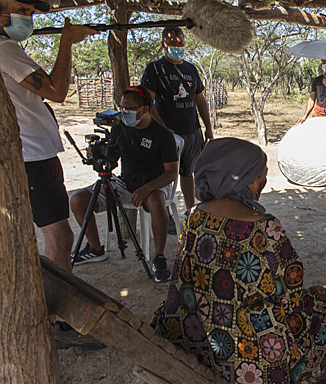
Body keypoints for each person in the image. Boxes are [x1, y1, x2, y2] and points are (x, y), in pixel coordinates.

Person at [151, 138, 326, 383]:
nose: (264, 183)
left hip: (193, 333)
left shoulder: (194, 217)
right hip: (251, 353)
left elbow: (183, 276)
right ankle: (324, 374)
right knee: (321, 299)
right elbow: (290, 289)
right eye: (260, 177)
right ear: (241, 179)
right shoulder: (266, 227)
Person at [0, 0, 97, 273]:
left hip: (34, 154)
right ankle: (59, 311)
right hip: (33, 157)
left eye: (31, 11)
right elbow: (56, 91)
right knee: (60, 236)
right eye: (22, 10)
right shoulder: (5, 49)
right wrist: (66, 42)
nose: (29, 17)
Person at [70, 85, 178, 283]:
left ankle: (159, 257)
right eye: (121, 108)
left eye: (129, 108)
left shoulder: (162, 134)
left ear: (144, 109)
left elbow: (171, 172)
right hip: (124, 183)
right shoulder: (119, 127)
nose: (124, 113)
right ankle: (95, 248)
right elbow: (114, 156)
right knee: (77, 200)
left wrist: (146, 189)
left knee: (156, 202)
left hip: (153, 183)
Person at [141, 27, 213, 217]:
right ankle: (166, 216)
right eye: (172, 43)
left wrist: (208, 128)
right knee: (165, 176)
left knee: (188, 173)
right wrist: (164, 130)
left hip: (192, 131)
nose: (177, 46)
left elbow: (200, 100)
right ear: (163, 44)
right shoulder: (154, 69)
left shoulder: (191, 69)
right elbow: (147, 102)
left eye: (180, 43)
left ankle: (190, 212)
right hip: (167, 135)